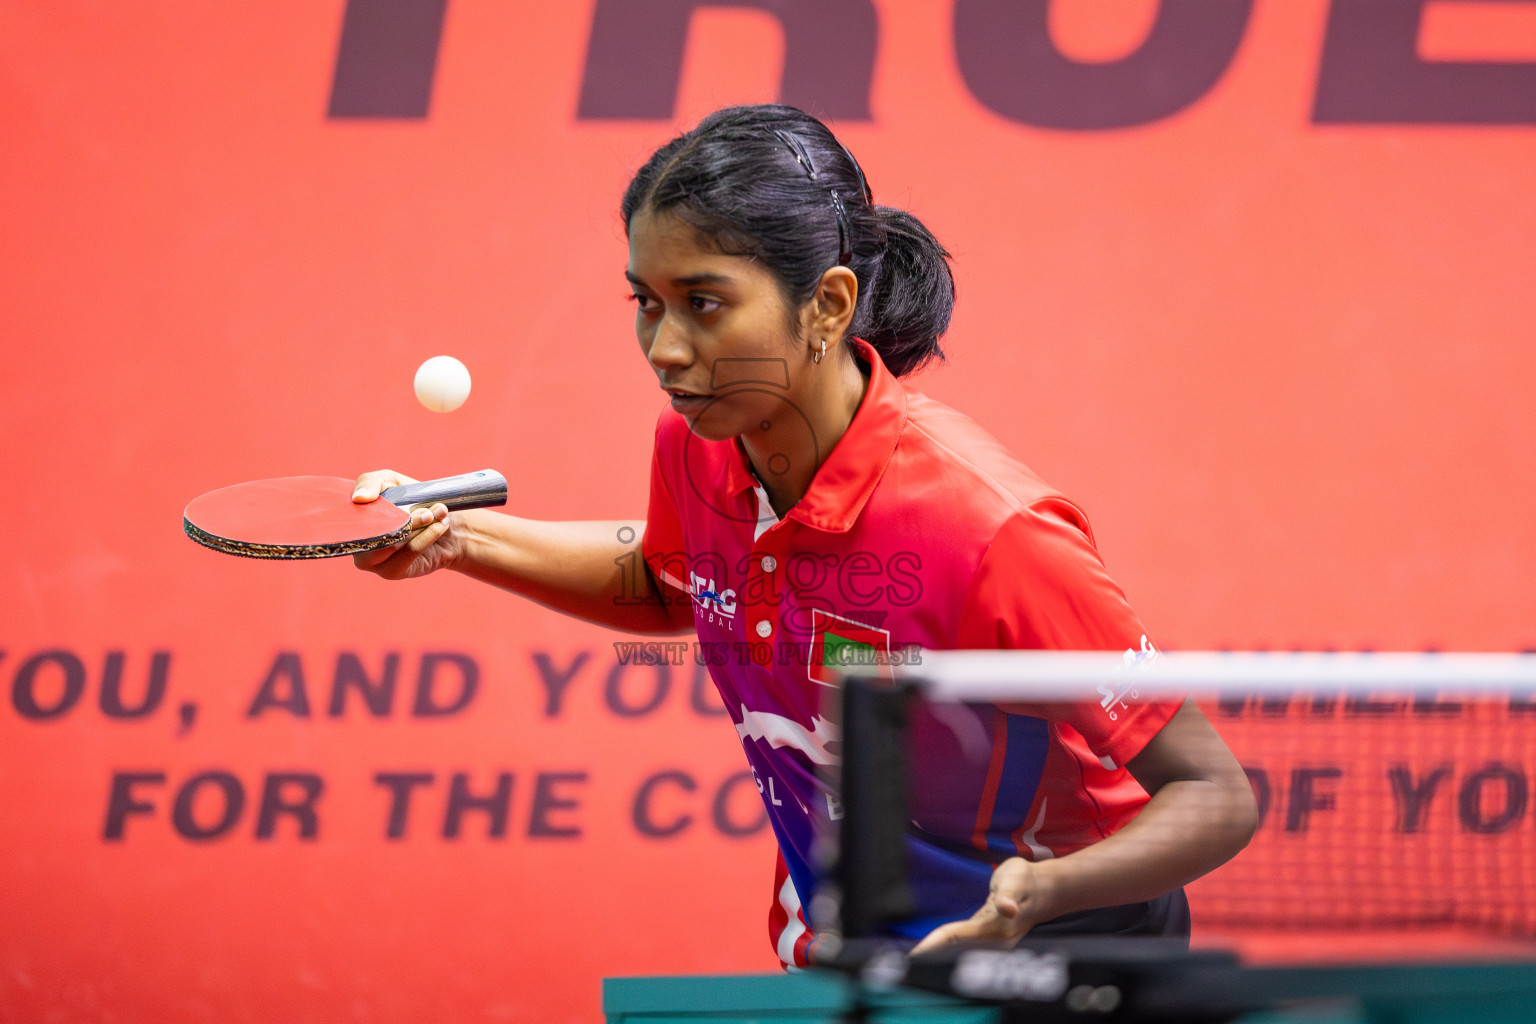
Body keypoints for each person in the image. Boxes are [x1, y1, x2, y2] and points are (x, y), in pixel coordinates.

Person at [351, 104, 1258, 968]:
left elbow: (1212, 795)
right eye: (645, 302)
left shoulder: (993, 532)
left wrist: (1037, 894)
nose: (664, 349)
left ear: (826, 305)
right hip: (855, 935)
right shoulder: (699, 443)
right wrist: (460, 541)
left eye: (703, 304)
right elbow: (678, 580)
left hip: (1056, 946)